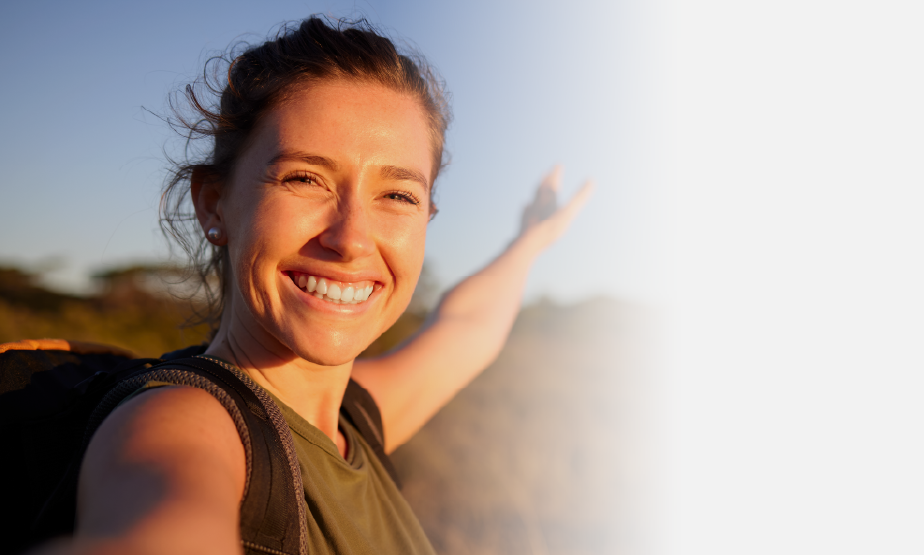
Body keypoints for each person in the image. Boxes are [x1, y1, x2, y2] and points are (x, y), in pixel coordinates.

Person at [36, 15, 590, 555]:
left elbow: (466, 330)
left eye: (397, 195)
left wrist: (531, 241)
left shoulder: (353, 421)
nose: (351, 239)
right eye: (305, 178)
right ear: (215, 202)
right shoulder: (183, 422)